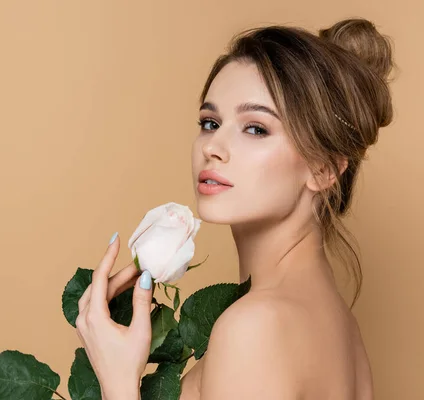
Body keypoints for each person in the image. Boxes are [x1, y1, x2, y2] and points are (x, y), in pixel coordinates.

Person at [74, 17, 394, 399]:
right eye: (210, 122)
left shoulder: (255, 327)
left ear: (323, 169)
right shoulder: (340, 326)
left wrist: (118, 381)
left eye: (256, 128)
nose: (212, 147)